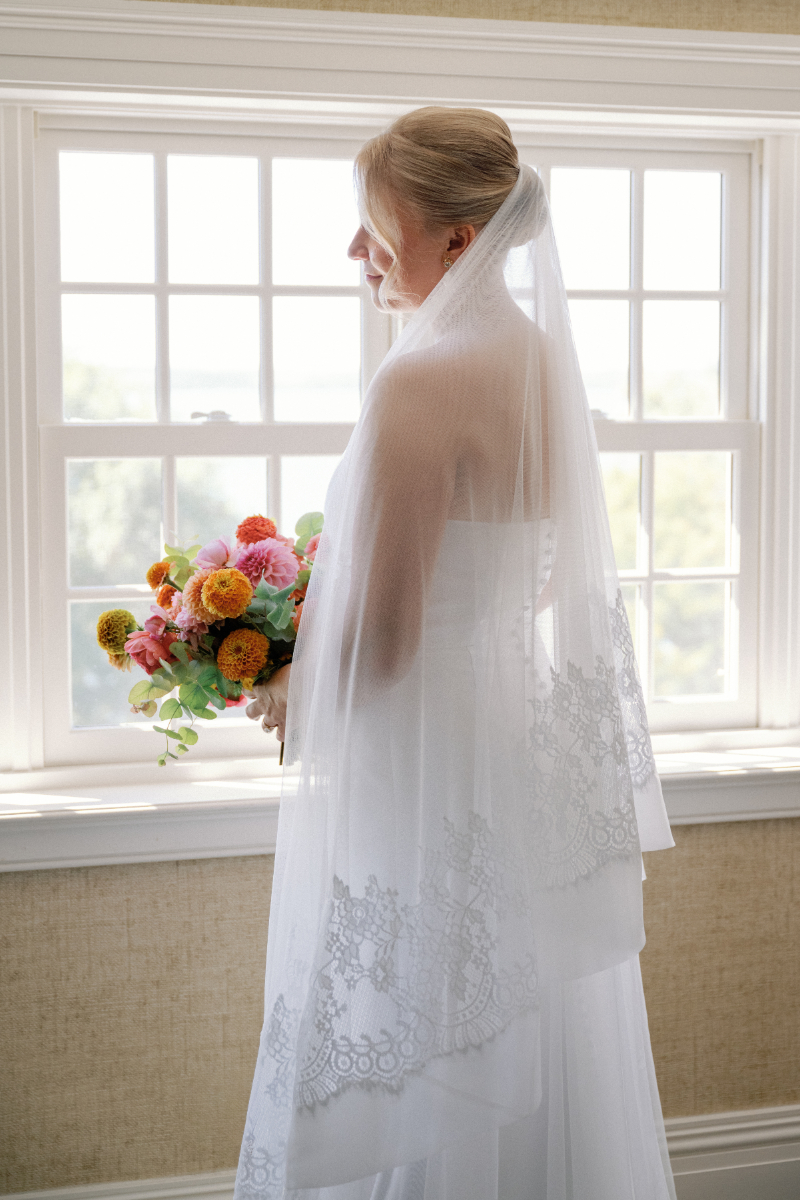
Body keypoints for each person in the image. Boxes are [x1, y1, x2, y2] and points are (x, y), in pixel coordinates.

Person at [238, 107, 676, 1200]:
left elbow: (383, 645)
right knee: (516, 1021)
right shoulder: (537, 364)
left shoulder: (419, 382)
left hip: (425, 766)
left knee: (421, 1039)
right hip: (512, 752)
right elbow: (525, 582)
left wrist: (293, 676)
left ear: (455, 241)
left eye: (373, 227)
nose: (355, 255)